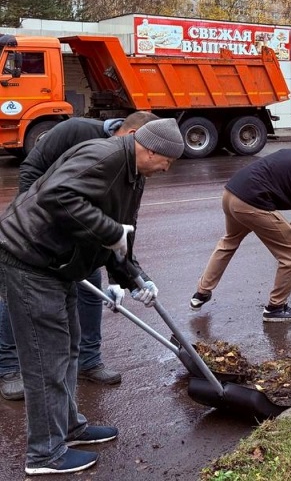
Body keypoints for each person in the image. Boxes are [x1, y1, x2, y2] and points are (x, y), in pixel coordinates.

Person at [0, 117, 184, 475]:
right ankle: (45, 455)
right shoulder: (105, 157)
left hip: (58, 264)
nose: (167, 168)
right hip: (30, 260)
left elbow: (121, 233)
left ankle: (69, 428)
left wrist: (132, 278)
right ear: (149, 150)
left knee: (67, 350)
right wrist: (111, 231)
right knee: (46, 360)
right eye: (167, 161)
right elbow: (57, 196)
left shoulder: (134, 173)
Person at [0, 112, 159, 401]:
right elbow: (31, 170)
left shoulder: (136, 164)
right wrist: (41, 225)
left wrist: (122, 277)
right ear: (135, 137)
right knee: (19, 298)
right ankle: (9, 366)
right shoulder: (76, 131)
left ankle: (89, 360)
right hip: (40, 237)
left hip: (86, 238)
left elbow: (125, 221)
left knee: (90, 291)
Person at [190, 146, 291, 323]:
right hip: (250, 203)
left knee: (229, 241)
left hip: (231, 193)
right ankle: (276, 308)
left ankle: (202, 292)